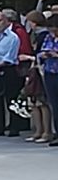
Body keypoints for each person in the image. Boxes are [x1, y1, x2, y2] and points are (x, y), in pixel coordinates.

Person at [22, 12, 52, 145]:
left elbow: (41, 53)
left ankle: (46, 131)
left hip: (41, 70)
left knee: (42, 102)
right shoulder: (34, 35)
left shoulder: (44, 35)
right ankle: (38, 130)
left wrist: (29, 58)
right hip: (34, 69)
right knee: (33, 101)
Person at [36, 14, 58, 147]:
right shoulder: (48, 37)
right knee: (54, 104)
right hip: (50, 72)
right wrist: (44, 54)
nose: (52, 31)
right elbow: (40, 51)